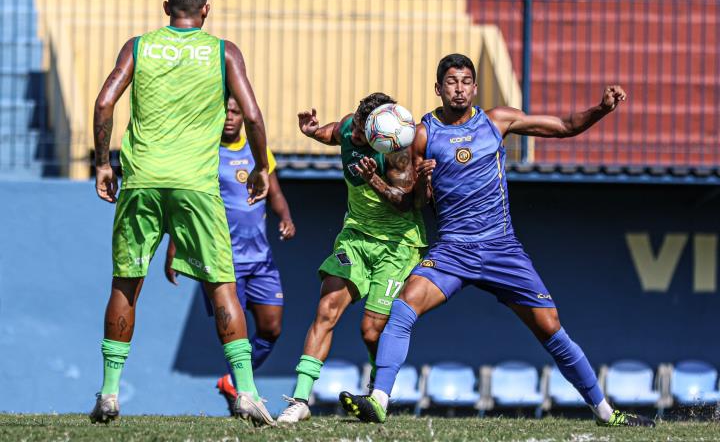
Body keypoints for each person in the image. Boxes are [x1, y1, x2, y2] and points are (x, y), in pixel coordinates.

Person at [341, 54, 655, 428]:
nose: (459, 88)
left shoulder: (497, 120)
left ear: (475, 87)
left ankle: (606, 412)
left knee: (551, 327)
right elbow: (412, 203)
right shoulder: (422, 134)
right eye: (451, 81)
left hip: (500, 248)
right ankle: (379, 400)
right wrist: (423, 181)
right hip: (454, 249)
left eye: (466, 81)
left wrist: (601, 110)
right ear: (438, 89)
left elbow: (565, 125)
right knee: (404, 306)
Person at [90, 0, 274, 425]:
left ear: (165, 7)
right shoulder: (223, 51)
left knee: (126, 282)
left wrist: (102, 163)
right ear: (205, 10)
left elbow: (103, 104)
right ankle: (247, 392)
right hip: (196, 185)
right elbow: (250, 113)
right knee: (222, 286)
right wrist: (262, 168)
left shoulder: (138, 46)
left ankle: (110, 394)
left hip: (142, 181)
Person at [276, 93, 427, 423]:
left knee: (371, 332)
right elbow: (335, 132)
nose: (356, 135)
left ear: (381, 135)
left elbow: (405, 203)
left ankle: (378, 392)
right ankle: (300, 399)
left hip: (395, 247)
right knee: (326, 309)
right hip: (355, 238)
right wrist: (312, 131)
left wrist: (374, 178)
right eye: (356, 126)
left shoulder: (398, 155)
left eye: (363, 132)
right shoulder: (349, 128)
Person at [164, 96, 295, 414]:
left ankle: (233, 383)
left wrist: (286, 218)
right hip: (223, 259)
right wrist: (174, 247)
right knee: (234, 329)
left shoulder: (257, 150)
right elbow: (186, 204)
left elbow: (274, 191)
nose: (230, 118)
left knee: (271, 328)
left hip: (261, 258)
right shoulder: (205, 154)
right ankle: (244, 394)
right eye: (224, 113)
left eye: (236, 112)